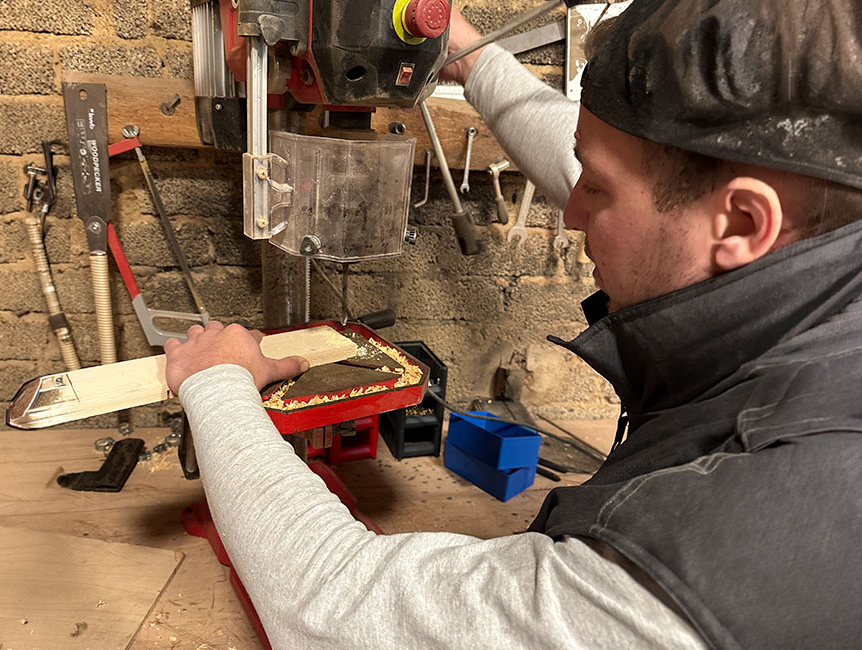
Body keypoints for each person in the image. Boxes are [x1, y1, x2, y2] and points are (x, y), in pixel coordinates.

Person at [164, 1, 862, 648]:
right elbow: (609, 169)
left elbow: (339, 611)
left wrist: (218, 384)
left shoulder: (741, 544)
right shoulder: (820, 239)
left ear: (743, 222)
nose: (571, 213)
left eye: (597, 191)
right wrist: (469, 56)